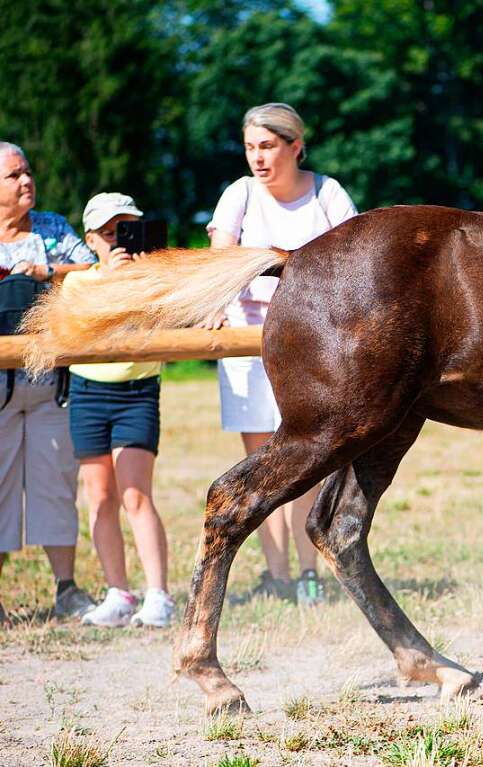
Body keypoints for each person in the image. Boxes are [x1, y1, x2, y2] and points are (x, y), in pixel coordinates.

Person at [203, 103, 358, 605]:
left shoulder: (327, 193)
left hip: (315, 347)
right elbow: (221, 262)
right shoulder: (240, 195)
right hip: (251, 342)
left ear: (295, 146)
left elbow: (357, 262)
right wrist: (217, 306)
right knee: (260, 464)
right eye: (250, 148)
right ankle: (277, 574)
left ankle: (309, 572)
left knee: (307, 458)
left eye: (268, 146)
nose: (258, 158)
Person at [66, 193, 174, 627]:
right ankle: (118, 592)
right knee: (101, 498)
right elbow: (81, 324)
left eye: (127, 230)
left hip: (137, 391)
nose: (119, 242)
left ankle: (158, 595)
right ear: (91, 240)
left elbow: (170, 318)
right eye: (109, 234)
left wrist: (137, 278)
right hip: (88, 391)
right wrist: (110, 280)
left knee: (135, 495)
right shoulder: (78, 283)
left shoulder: (152, 280)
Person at [0, 141, 96, 621]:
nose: (26, 181)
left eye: (28, 172)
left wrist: (49, 271)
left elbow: (93, 270)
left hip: (49, 381)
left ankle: (67, 590)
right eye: (14, 175)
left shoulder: (53, 228)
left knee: (57, 481)